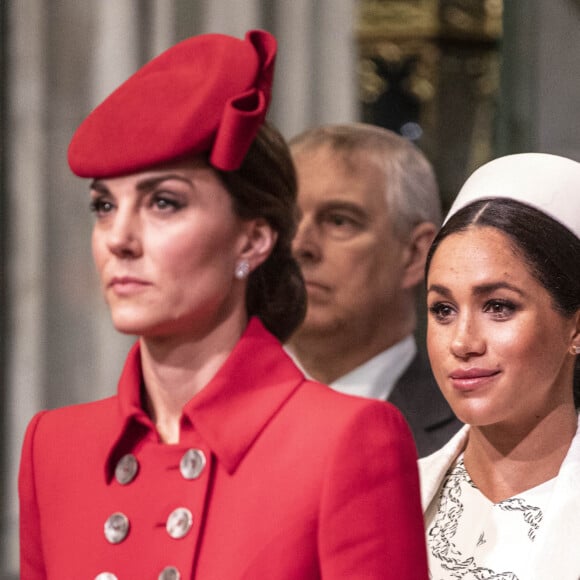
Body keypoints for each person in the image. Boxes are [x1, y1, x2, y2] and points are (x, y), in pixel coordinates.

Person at [18, 30, 429, 579]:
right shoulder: (55, 448)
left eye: (164, 202)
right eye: (103, 205)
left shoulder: (345, 440)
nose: (119, 237)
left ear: (254, 240)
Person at [419, 153, 580, 579]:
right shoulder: (382, 502)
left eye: (498, 306)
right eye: (443, 310)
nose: (463, 342)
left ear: (576, 328)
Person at [286, 123, 462, 457]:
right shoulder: (204, 409)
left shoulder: (474, 437)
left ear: (413, 254)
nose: (300, 245)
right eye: (287, 221)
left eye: (339, 221)